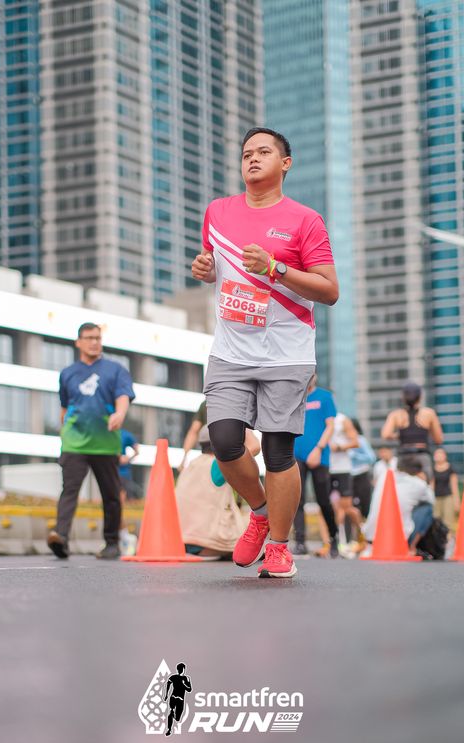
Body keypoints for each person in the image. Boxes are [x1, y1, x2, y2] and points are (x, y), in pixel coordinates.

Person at [192, 126, 339, 578]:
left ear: (285, 163)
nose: (252, 159)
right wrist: (204, 269)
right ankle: (259, 511)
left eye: (263, 152)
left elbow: (329, 290)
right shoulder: (218, 212)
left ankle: (278, 545)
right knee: (223, 441)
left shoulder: (305, 220)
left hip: (286, 351)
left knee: (278, 453)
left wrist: (275, 267)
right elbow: (216, 267)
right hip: (231, 351)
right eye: (246, 154)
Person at [47, 322, 135, 560]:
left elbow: (123, 395)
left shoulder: (115, 370)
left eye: (98, 338)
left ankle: (111, 543)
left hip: (105, 443)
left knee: (111, 495)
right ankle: (60, 538)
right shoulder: (68, 373)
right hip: (74, 443)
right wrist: (63, 432)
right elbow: (64, 407)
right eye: (89, 338)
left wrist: (120, 414)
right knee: (69, 490)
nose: (94, 342)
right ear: (79, 342)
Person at [176, 426, 260, 558]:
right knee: (262, 518)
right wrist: (242, 428)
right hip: (209, 543)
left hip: (183, 539)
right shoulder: (219, 464)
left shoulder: (190, 466)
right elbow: (255, 446)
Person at [292, 374, 339, 558]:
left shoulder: (324, 397)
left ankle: (334, 540)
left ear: (315, 377)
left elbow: (330, 426)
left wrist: (318, 449)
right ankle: (300, 542)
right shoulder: (295, 398)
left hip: (319, 457)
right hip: (296, 455)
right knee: (297, 500)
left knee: (323, 500)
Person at [364, 455, 435, 555]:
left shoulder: (383, 476)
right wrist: (424, 480)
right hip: (399, 538)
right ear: (417, 472)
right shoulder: (418, 484)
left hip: (372, 536)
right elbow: (431, 499)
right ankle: (411, 547)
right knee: (427, 508)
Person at [381, 382, 443, 482]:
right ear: (420, 397)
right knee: (424, 486)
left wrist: (399, 435)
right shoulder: (429, 413)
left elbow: (385, 434)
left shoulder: (396, 414)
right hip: (422, 455)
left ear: (403, 398)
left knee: (403, 487)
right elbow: (439, 439)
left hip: (404, 455)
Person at [329, 413, 363, 550]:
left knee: (346, 508)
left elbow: (356, 442)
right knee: (327, 509)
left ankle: (362, 538)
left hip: (342, 469)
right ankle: (332, 543)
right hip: (325, 468)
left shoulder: (342, 419)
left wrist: (338, 447)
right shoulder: (315, 416)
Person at [349, 418, 376, 519]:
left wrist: (355, 456)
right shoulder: (343, 441)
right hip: (348, 476)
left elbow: (371, 458)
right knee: (351, 506)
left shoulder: (361, 440)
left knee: (365, 505)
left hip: (361, 474)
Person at [118, 429, 140, 555]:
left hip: (122, 474)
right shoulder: (104, 433)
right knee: (111, 507)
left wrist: (127, 458)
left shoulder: (125, 435)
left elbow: (137, 450)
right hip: (108, 472)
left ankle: (126, 538)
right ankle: (121, 537)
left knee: (117, 506)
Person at [433, 448, 461, 534]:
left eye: (440, 454)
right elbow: (431, 485)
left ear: (445, 456)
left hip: (448, 497)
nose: (438, 456)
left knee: (448, 521)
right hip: (436, 498)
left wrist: (456, 501)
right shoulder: (432, 469)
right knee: (436, 521)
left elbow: (454, 486)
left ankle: (449, 539)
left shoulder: (451, 469)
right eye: (436, 454)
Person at [178, 400, 207, 473]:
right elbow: (194, 430)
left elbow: (194, 430)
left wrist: (184, 459)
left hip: (209, 454)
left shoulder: (207, 403)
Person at [164, 662, 192, 737]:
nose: (181, 670)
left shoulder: (186, 678)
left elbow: (189, 689)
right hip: (175, 698)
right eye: (180, 669)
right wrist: (166, 694)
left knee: (177, 718)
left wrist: (184, 684)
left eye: (181, 669)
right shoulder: (174, 677)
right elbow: (168, 684)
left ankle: (173, 716)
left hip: (178, 699)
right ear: (178, 669)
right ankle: (169, 729)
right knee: (171, 711)